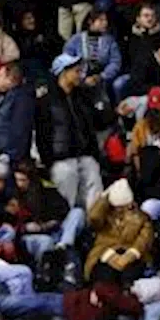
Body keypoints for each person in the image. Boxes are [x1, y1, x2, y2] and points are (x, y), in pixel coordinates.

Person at [35, 53, 102, 210]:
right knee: (67, 174)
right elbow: (42, 133)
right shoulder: (46, 100)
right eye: (76, 71)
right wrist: (48, 161)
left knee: (93, 170)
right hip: (60, 158)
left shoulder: (82, 97)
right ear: (64, 72)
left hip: (84, 155)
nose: (80, 75)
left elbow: (92, 126)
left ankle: (93, 223)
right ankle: (67, 223)